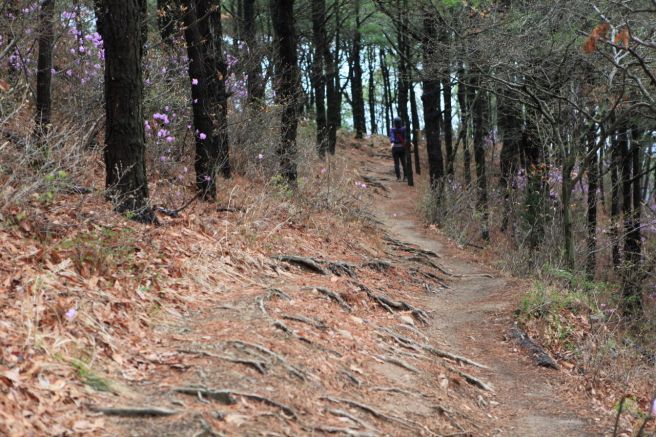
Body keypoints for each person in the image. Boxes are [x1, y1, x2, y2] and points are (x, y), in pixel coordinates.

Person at [389, 116, 407, 181]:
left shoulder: (392, 129)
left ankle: (398, 178)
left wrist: (392, 142)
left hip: (395, 148)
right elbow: (405, 137)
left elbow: (392, 137)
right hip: (402, 148)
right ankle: (405, 177)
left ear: (394, 123)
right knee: (404, 163)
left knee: (396, 164)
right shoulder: (404, 129)